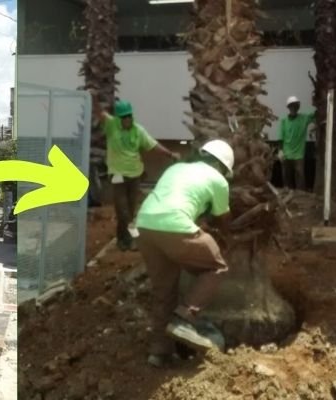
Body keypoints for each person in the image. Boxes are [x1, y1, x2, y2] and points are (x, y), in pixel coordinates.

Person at [134, 139, 236, 367]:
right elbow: (223, 218)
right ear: (222, 167)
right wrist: (225, 239)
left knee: (165, 291)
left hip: (145, 226)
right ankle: (184, 319)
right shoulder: (219, 180)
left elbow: (177, 199)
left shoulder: (176, 168)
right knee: (217, 267)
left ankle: (159, 353)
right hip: (176, 226)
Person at [95, 99, 181, 251]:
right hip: (118, 174)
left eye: (129, 116)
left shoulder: (138, 130)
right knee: (123, 209)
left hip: (135, 174)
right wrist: (93, 99)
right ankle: (132, 238)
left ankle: (122, 239)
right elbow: (99, 112)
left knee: (131, 208)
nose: (127, 119)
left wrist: (170, 154)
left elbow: (152, 145)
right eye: (123, 117)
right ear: (118, 118)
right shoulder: (111, 125)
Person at [278, 96, 316, 190]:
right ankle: (288, 196)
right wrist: (280, 151)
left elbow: (317, 114)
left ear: (298, 107)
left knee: (300, 177)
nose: (294, 108)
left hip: (298, 155)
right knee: (287, 178)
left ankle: (301, 197)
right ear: (288, 107)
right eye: (291, 106)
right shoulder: (284, 121)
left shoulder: (304, 118)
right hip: (286, 155)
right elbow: (280, 138)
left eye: (295, 106)